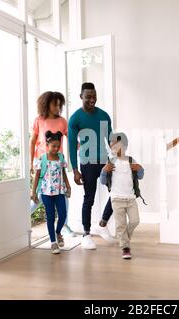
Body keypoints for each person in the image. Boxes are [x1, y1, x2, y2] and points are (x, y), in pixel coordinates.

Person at [68, 82, 115, 250]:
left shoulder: (104, 116)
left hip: (104, 162)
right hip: (87, 164)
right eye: (88, 97)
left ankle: (102, 224)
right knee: (89, 199)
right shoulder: (75, 118)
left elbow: (111, 139)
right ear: (81, 97)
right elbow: (72, 145)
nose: (92, 100)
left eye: (94, 96)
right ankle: (86, 235)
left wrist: (116, 159)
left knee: (117, 193)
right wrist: (75, 170)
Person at [29, 91, 74, 236]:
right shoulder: (39, 120)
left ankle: (62, 227)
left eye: (60, 105)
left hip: (57, 164)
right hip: (42, 164)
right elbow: (33, 141)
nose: (58, 107)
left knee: (62, 195)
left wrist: (81, 147)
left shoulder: (62, 121)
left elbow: (70, 138)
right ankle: (22, 219)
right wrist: (31, 162)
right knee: (39, 196)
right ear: (46, 104)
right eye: (55, 104)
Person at [100, 132, 145, 259]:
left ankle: (123, 239)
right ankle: (125, 247)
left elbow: (140, 176)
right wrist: (104, 171)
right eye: (111, 146)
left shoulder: (131, 160)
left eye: (116, 145)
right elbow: (103, 181)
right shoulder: (110, 162)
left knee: (135, 221)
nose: (113, 148)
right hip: (116, 199)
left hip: (130, 199)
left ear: (124, 146)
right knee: (121, 224)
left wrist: (140, 169)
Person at [31, 131, 71, 254]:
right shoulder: (42, 159)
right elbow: (37, 176)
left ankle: (58, 232)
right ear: (47, 145)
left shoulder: (61, 157)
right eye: (53, 146)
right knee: (50, 217)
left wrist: (68, 186)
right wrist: (33, 192)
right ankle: (53, 242)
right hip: (46, 192)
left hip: (59, 191)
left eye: (58, 146)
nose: (56, 148)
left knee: (63, 215)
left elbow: (63, 172)